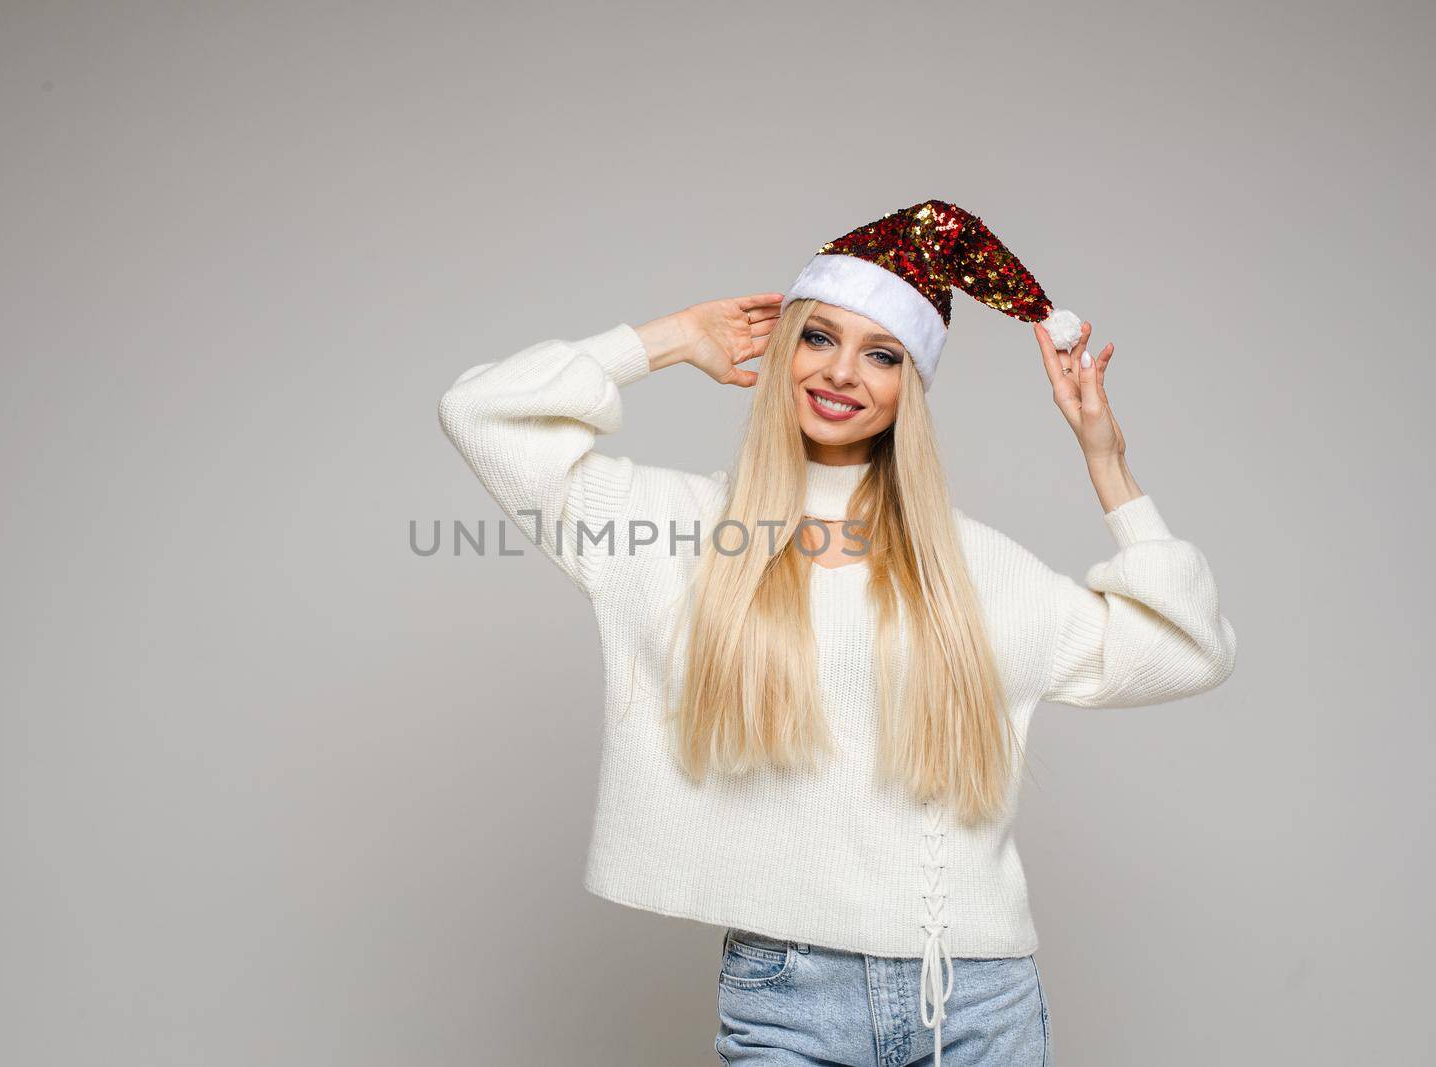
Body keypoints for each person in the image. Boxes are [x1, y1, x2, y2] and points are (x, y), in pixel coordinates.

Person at [436, 199, 1237, 1066]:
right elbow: (482, 412)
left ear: (909, 389)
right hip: (787, 996)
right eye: (818, 337)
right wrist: (667, 339)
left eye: (882, 354)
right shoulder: (674, 530)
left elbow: (1189, 649)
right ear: (785, 352)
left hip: (975, 1002)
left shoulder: (969, 565)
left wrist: (1106, 461)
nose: (844, 372)